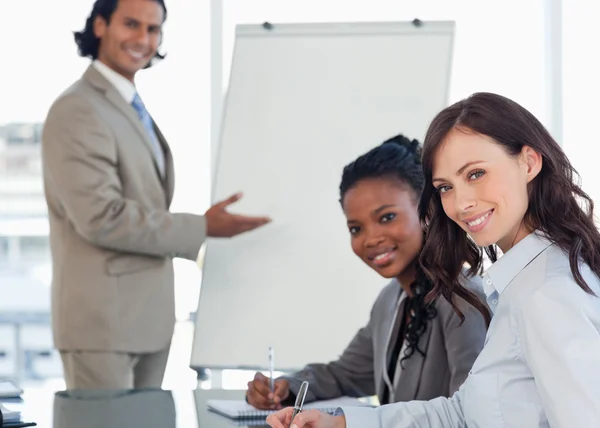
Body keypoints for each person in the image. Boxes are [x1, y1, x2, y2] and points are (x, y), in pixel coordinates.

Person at [266, 92, 600, 428]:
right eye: (445, 188)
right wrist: (339, 423)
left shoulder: (546, 294)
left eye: (475, 174)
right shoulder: (522, 283)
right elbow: (461, 414)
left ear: (529, 162)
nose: (461, 204)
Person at [41, 0, 270, 389]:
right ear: (100, 25)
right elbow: (100, 217)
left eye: (153, 29)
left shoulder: (127, 104)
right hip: (102, 327)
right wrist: (202, 227)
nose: (143, 39)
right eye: (131, 24)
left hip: (145, 320)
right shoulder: (78, 108)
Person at [247, 135, 488, 410]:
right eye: (356, 229)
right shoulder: (392, 298)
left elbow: (471, 414)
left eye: (387, 217)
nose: (370, 239)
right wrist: (284, 388)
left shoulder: (463, 301)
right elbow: (346, 374)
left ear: (428, 211)